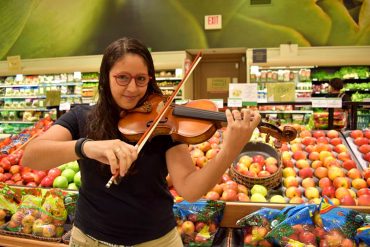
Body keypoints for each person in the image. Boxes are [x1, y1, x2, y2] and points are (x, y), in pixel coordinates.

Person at [22, 37, 261, 247]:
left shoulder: (163, 122)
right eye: (122, 78)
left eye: (141, 79)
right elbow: (32, 155)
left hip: (155, 241)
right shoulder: (81, 117)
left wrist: (230, 149)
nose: (132, 88)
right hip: (89, 239)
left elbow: (190, 189)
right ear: (106, 77)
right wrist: (87, 147)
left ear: (150, 79)